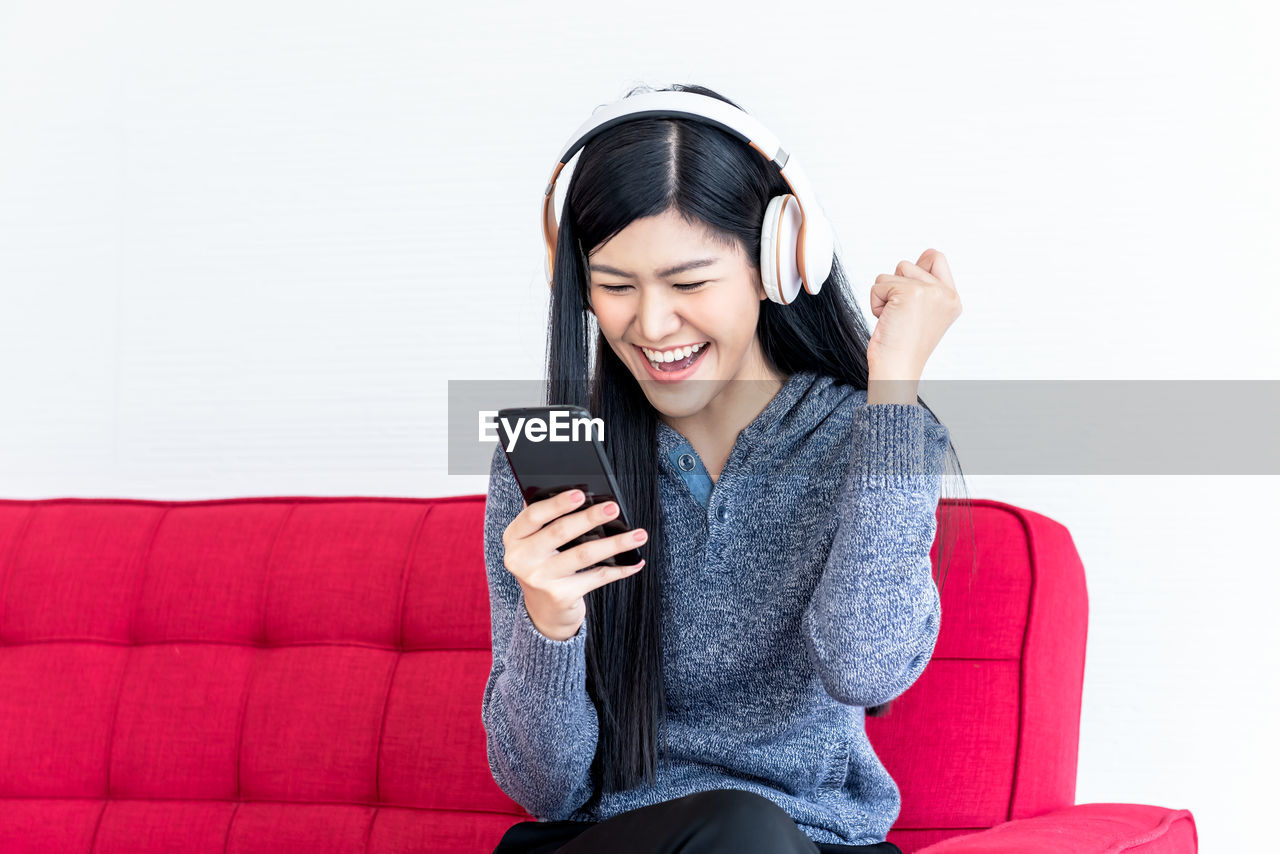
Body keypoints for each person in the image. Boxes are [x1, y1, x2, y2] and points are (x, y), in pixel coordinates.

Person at [482, 82, 968, 854]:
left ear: (779, 263)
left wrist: (894, 390)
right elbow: (545, 790)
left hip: (816, 844)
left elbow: (863, 667)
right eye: (614, 286)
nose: (651, 323)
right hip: (616, 843)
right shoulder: (558, 453)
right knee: (741, 831)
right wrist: (549, 621)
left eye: (688, 282)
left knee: (755, 836)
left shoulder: (870, 439)